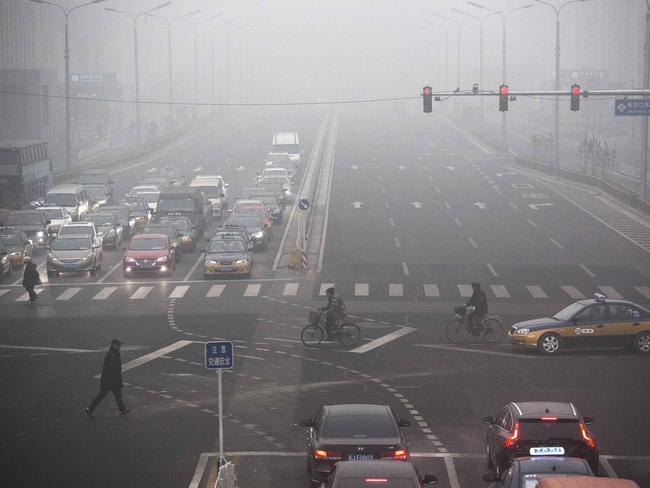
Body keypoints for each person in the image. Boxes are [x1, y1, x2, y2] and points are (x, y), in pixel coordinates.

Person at [85, 339, 130, 418]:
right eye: (119, 345)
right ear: (114, 346)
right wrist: (119, 381)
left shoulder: (110, 354)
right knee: (118, 395)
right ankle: (122, 411)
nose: (120, 347)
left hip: (106, 379)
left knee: (102, 395)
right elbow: (115, 370)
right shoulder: (114, 355)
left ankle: (90, 408)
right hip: (111, 380)